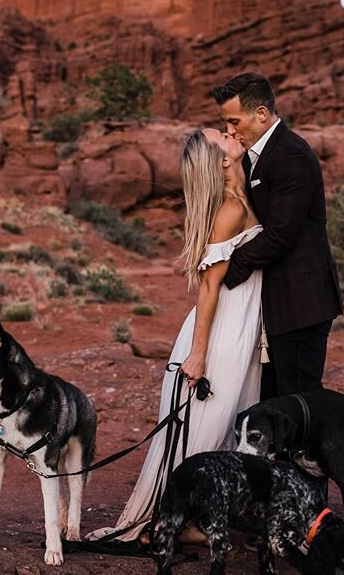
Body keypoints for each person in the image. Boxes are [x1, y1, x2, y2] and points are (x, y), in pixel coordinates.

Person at [86, 128, 263, 544]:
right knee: (209, 424)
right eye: (222, 135)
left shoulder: (242, 198)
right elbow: (208, 288)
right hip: (222, 332)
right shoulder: (230, 211)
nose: (231, 132)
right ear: (221, 161)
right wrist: (198, 354)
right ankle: (178, 519)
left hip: (240, 327)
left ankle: (193, 517)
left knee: (226, 422)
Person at [212, 72, 343, 397]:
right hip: (277, 302)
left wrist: (228, 270)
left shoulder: (290, 155)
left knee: (298, 398)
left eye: (233, 120)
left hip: (300, 302)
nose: (230, 130)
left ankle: (306, 451)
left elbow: (280, 235)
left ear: (260, 113)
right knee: (272, 399)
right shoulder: (259, 156)